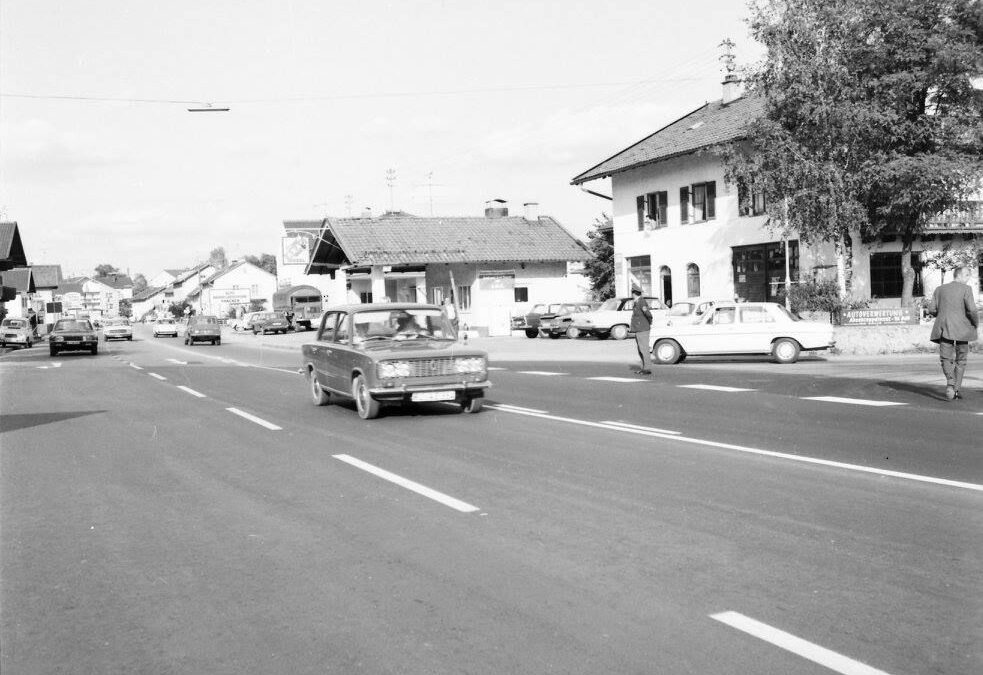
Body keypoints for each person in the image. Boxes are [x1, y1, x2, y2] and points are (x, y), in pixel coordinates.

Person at [928, 266, 979, 401]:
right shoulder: (966, 289)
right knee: (961, 360)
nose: (968, 278)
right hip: (963, 329)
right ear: (959, 275)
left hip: (944, 328)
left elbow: (932, 309)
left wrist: (943, 314)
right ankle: (955, 389)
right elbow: (972, 310)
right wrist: (975, 323)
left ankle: (951, 382)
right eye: (967, 275)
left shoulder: (939, 289)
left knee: (945, 358)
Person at [629, 285, 653, 374]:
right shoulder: (637, 302)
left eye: (632, 293)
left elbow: (648, 315)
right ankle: (643, 368)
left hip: (643, 329)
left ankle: (647, 369)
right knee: (640, 349)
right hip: (639, 329)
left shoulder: (641, 302)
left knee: (644, 349)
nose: (631, 295)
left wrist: (648, 324)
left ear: (634, 293)